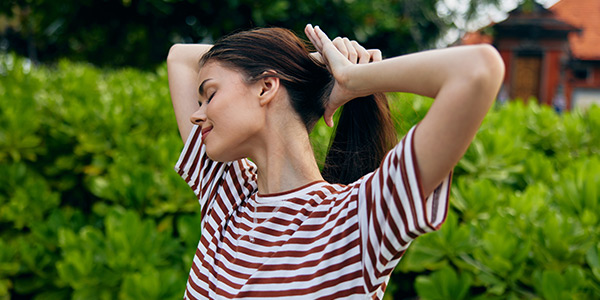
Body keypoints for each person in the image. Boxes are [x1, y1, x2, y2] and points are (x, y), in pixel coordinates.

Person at [166, 24, 504, 299]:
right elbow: (180, 58)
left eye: (209, 94)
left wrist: (351, 79)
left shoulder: (357, 221)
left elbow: (477, 70)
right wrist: (314, 65)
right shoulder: (226, 197)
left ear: (266, 87)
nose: (197, 115)